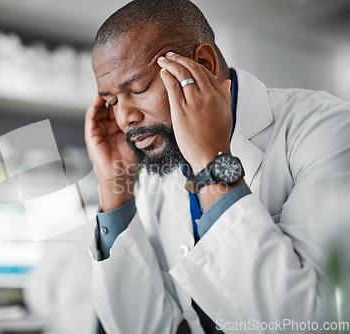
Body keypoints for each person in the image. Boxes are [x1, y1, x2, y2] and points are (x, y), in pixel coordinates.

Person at [83, 0, 350, 333]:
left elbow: (312, 321)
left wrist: (211, 160)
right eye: (110, 101)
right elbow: (139, 326)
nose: (124, 118)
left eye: (138, 88)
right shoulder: (160, 165)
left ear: (204, 64)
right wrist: (114, 185)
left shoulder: (326, 129)